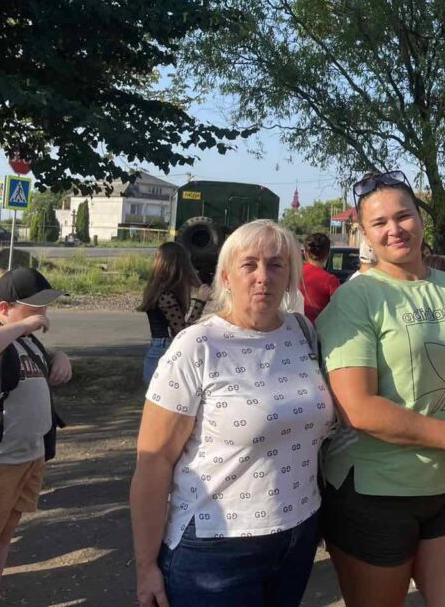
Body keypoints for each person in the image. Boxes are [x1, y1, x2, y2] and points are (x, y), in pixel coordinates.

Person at [316, 170, 445, 607]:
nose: (394, 229)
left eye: (403, 216)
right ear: (365, 233)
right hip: (376, 492)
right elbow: (357, 407)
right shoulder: (356, 299)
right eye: (379, 223)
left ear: (420, 219)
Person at [130, 220, 335, 607]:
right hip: (216, 546)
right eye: (249, 265)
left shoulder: (302, 332)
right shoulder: (197, 345)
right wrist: (145, 566)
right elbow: (153, 460)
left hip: (297, 535)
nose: (263, 277)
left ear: (290, 276)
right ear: (226, 276)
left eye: (276, 265)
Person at [0, 268, 72, 607]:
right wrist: (22, 326)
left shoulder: (26, 340)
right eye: (34, 307)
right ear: (4, 307)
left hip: (27, 457)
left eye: (45, 306)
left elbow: (42, 358)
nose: (43, 314)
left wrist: (60, 357)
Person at [138, 242, 212, 382]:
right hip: (164, 351)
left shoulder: (157, 290)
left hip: (159, 349)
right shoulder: (165, 296)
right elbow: (182, 333)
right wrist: (200, 302)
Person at [301, 232, 340, 323]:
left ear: (305, 253)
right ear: (328, 254)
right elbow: (338, 311)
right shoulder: (331, 281)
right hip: (321, 328)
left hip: (296, 327)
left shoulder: (293, 275)